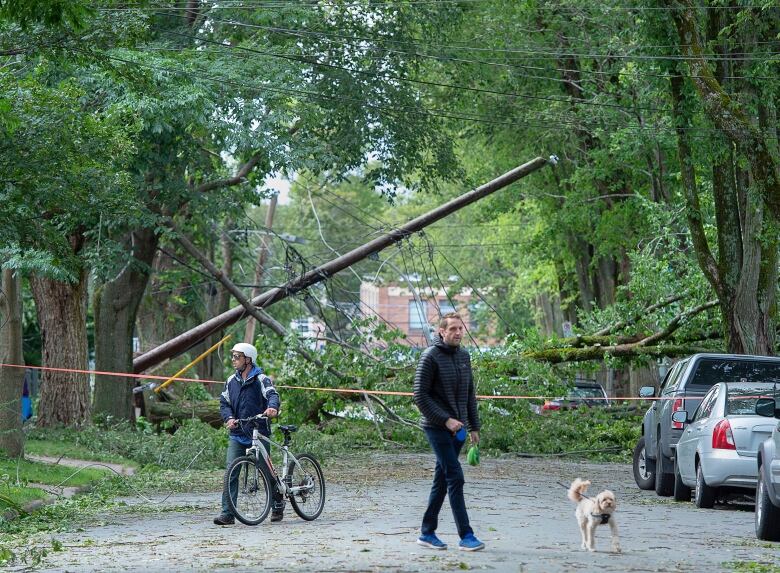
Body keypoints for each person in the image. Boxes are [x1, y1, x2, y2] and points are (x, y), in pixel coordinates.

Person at [413, 312, 485, 552]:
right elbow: (419, 396)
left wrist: (474, 426)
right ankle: (466, 535)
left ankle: (427, 532)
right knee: (455, 476)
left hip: (460, 430)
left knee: (442, 480)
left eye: (460, 328)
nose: (458, 332)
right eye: (452, 328)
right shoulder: (430, 356)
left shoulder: (464, 356)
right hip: (437, 427)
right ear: (441, 332)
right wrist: (446, 420)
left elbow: (469, 394)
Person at [214, 342, 284, 525]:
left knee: (267, 470)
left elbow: (272, 394)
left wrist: (272, 407)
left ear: (248, 359)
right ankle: (228, 513)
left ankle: (277, 503)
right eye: (233, 357)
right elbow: (224, 403)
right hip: (238, 433)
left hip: (258, 432)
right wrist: (229, 418)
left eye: (237, 357)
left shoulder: (261, 379)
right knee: (231, 472)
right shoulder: (231, 381)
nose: (233, 360)